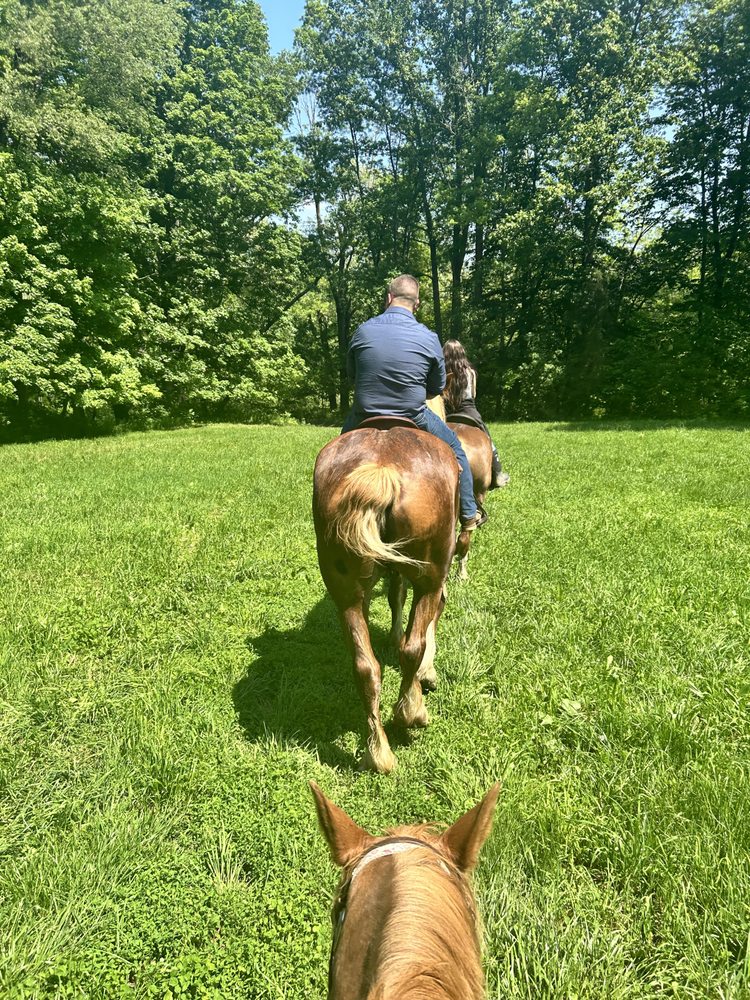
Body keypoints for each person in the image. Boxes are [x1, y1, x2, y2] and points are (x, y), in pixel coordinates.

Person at [342, 275, 483, 530]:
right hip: (413, 415)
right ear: (416, 304)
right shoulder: (428, 337)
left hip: (363, 414)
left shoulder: (362, 330)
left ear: (388, 298)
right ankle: (469, 513)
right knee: (455, 448)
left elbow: (352, 375)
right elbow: (435, 389)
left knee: (337, 456)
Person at [443, 340, 510, 489]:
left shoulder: (442, 373)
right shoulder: (470, 372)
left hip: (447, 411)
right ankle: (497, 473)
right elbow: (473, 394)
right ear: (462, 353)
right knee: (487, 438)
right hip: (468, 410)